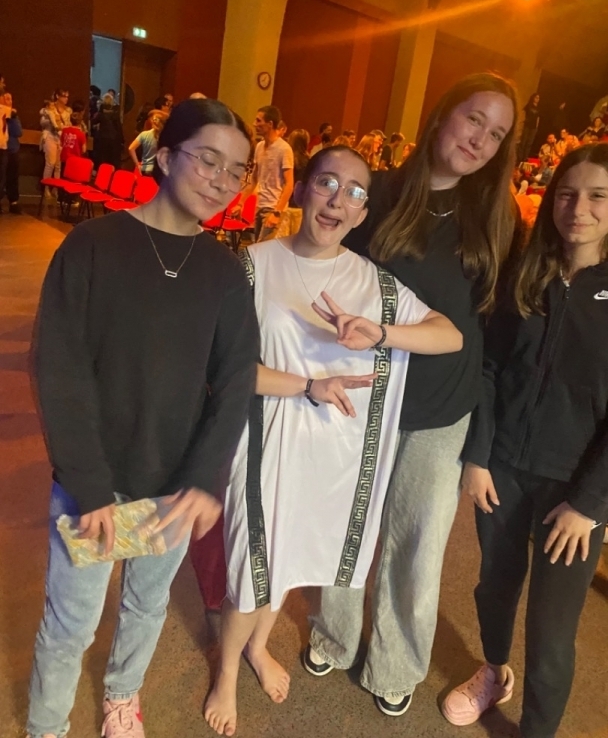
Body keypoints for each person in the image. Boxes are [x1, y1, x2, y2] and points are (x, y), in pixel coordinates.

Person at [203, 145, 462, 737]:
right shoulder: (252, 266)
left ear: (362, 212)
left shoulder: (372, 283)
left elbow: (449, 336)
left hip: (328, 453)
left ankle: (257, 648)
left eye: (355, 192)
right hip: (264, 442)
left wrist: (381, 333)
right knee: (251, 566)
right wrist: (308, 386)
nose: (338, 200)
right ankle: (226, 673)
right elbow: (225, 368)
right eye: (327, 183)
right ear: (301, 189)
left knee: (288, 559)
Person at [26, 97, 260, 738]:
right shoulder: (93, 245)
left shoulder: (224, 271)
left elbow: (235, 380)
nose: (221, 179)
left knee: (146, 603)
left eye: (236, 170)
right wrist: (89, 485)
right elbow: (59, 366)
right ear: (165, 156)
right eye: (207, 159)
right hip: (92, 483)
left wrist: (205, 477)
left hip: (173, 486)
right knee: (71, 621)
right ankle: (46, 726)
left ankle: (122, 695)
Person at [305, 72, 519, 718]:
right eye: (474, 118)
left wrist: (481, 444)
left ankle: (396, 661)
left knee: (417, 545)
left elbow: (495, 339)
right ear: (443, 114)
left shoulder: (498, 218)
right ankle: (334, 632)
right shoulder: (381, 192)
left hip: (443, 406)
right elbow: (325, 266)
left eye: (497, 134)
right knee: (348, 521)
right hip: (366, 392)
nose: (480, 139)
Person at [442, 143, 608, 738]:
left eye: (597, 196)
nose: (578, 209)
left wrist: (590, 504)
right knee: (495, 584)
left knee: (552, 631)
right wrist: (479, 455)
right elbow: (489, 368)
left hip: (574, 490)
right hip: (504, 469)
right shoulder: (527, 273)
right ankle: (493, 672)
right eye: (567, 194)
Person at [231, 105, 294, 241]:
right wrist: (240, 203)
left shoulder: (284, 149)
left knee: (262, 248)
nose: (255, 124)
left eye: (259, 120)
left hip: (273, 208)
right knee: (259, 247)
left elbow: (289, 184)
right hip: (260, 206)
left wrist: (277, 212)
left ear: (270, 124)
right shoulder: (259, 146)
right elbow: (254, 179)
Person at [40, 90, 72, 204]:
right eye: (64, 96)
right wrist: (52, 122)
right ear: (58, 96)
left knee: (58, 165)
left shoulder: (68, 111)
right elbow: (42, 123)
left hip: (61, 138)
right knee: (50, 163)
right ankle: (46, 188)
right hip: (50, 136)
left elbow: (69, 124)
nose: (66, 98)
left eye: (67, 96)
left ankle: (56, 189)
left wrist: (64, 126)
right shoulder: (49, 108)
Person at [2, 92, 23, 213]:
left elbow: (19, 132)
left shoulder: (14, 116)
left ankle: (13, 202)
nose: (9, 101)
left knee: (13, 176)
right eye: (6, 99)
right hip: (2, 149)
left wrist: (13, 118)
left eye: (10, 99)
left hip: (13, 149)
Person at [93, 93, 124, 170]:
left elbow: (93, 121)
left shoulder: (100, 114)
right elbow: (119, 127)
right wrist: (122, 140)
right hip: (113, 139)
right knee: (112, 159)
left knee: (103, 159)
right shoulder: (115, 114)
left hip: (102, 138)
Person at [0, 91, 13, 211]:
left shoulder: (6, 110)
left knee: (2, 175)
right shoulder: (4, 108)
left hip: (3, 146)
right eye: (5, 98)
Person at [519, 92, 540, 162]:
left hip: (533, 128)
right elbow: (523, 112)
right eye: (536, 97)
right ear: (533, 98)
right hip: (527, 126)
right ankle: (520, 158)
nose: (537, 99)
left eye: (538, 98)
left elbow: (538, 118)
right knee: (523, 142)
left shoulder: (538, 108)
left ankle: (525, 158)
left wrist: (536, 126)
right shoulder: (529, 105)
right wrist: (522, 121)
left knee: (529, 143)